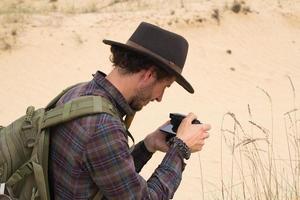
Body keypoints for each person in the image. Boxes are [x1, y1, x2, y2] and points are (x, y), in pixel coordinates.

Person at [49, 22, 211, 200]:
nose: (159, 98)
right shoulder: (104, 127)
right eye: (165, 86)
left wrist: (148, 145)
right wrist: (180, 148)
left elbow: (109, 174)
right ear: (148, 75)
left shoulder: (78, 92)